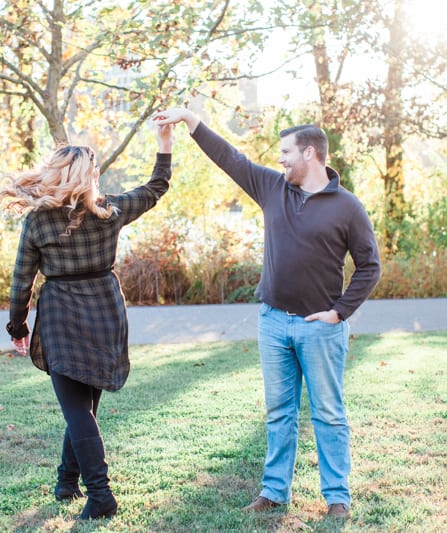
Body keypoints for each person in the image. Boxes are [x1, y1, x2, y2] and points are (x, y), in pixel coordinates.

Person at [153, 108, 380, 519]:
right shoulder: (273, 188)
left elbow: (370, 266)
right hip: (273, 321)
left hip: (319, 328)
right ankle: (274, 491)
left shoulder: (347, 207)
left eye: (287, 152)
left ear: (310, 153)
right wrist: (191, 121)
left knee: (328, 414)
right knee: (279, 412)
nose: (280, 160)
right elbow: (231, 159)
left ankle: (337, 498)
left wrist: (339, 313)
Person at [0, 124, 174, 520]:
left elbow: (21, 280)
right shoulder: (110, 211)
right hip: (105, 310)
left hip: (61, 313)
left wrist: (17, 327)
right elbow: (157, 186)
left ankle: (101, 496)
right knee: (84, 407)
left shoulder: (39, 222)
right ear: (90, 176)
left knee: (78, 409)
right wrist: (165, 144)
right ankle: (66, 480)